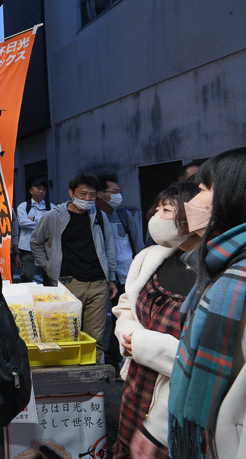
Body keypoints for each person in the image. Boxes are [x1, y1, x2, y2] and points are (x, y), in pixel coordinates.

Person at [162, 147, 246, 459]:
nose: (192, 202)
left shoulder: (237, 277)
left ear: (232, 198)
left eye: (201, 190)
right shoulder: (220, 266)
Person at [111, 181, 201, 459]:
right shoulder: (150, 257)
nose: (154, 217)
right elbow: (126, 306)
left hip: (177, 396)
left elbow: (205, 355)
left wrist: (143, 344)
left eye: (166, 210)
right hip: (138, 383)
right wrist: (127, 337)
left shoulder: (212, 273)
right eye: (156, 209)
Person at [30, 173, 117, 362]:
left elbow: (109, 247)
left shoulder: (100, 216)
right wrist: (47, 266)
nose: (87, 199)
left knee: (96, 337)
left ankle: (93, 381)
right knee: (66, 332)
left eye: (92, 195)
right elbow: (35, 242)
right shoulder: (53, 216)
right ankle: (69, 377)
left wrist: (111, 278)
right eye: (83, 194)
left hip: (98, 283)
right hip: (68, 283)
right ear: (71, 193)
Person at [96, 174, 144, 370]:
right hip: (100, 278)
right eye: (113, 192)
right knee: (96, 322)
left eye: (118, 192)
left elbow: (138, 244)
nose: (118, 196)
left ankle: (114, 362)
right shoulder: (92, 216)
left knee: (121, 320)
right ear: (100, 194)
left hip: (125, 276)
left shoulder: (123, 215)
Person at [15, 178, 55, 282]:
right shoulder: (23, 206)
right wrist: (44, 221)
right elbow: (23, 223)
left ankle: (50, 296)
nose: (41, 191)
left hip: (46, 246)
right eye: (38, 189)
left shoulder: (51, 207)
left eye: (44, 189)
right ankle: (26, 297)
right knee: (27, 275)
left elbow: (54, 224)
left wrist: (33, 220)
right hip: (28, 247)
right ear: (31, 191)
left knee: (49, 275)